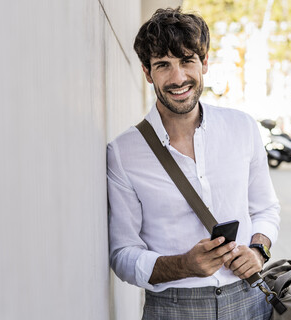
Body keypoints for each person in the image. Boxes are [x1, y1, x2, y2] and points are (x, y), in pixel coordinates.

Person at [107, 7, 280, 319]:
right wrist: (182, 265)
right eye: (163, 65)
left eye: (187, 60)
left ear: (205, 63)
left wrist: (258, 251)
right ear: (147, 72)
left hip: (250, 300)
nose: (178, 78)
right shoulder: (123, 152)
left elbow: (265, 209)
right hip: (172, 308)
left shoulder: (243, 127)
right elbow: (122, 255)